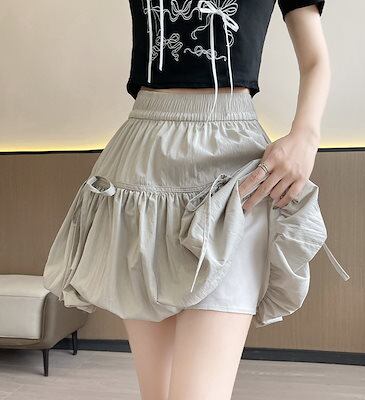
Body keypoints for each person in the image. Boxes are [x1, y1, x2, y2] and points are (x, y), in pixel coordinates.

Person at [42, 1, 334, 399]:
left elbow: (316, 60)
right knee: (157, 393)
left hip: (232, 171)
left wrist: (306, 136)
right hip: (143, 162)